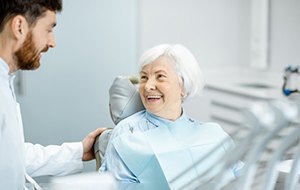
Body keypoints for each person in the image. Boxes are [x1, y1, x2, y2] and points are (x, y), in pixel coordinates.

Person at [100, 44, 242, 189]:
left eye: (160, 76)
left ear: (183, 86)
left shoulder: (214, 135)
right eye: (144, 77)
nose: (148, 86)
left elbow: (242, 179)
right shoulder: (126, 135)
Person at [0, 0, 106, 189]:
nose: (52, 43)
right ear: (19, 27)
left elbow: (11, 156)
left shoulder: (5, 80)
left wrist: (79, 151)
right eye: (48, 29)